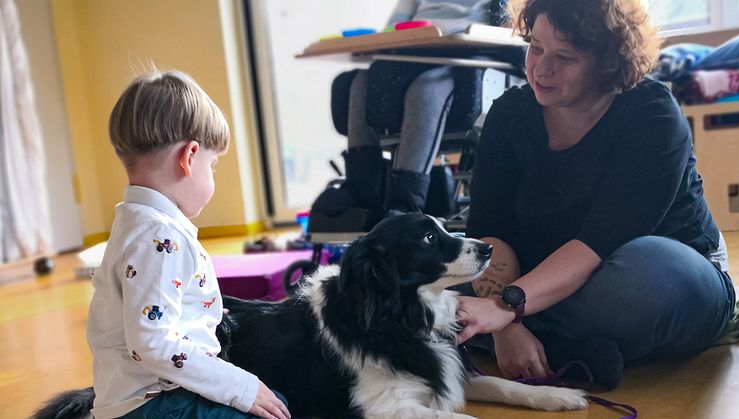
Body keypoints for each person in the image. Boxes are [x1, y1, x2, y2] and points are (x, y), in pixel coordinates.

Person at [455, 0, 736, 390]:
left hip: (646, 273)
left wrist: (505, 309)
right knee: (427, 276)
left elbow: (598, 242)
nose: (541, 68)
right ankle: (564, 350)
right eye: (535, 47)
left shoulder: (652, 114)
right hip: (540, 283)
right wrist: (506, 325)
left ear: (608, 62)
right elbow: (489, 232)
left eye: (564, 57)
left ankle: (495, 335)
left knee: (653, 277)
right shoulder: (508, 116)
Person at [87, 70, 291, 419]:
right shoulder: (158, 237)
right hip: (153, 404)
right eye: (213, 165)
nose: (213, 175)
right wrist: (240, 385)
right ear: (189, 157)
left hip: (147, 396)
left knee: (278, 401)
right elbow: (152, 343)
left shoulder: (137, 222)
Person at [310, 0, 507, 226]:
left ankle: (405, 204)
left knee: (426, 88)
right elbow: (393, 29)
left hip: (469, 58)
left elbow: (512, 27)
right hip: (417, 54)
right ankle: (361, 194)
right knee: (360, 83)